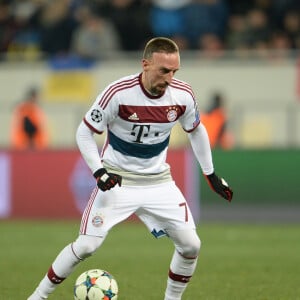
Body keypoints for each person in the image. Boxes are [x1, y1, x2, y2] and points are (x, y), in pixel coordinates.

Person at [27, 37, 233, 300]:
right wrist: (99, 171)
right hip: (118, 181)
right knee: (87, 245)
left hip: (159, 181)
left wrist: (210, 173)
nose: (170, 78)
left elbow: (196, 130)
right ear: (145, 65)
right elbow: (84, 133)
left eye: (174, 71)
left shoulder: (182, 95)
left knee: (192, 245)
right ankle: (38, 296)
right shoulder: (118, 93)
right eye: (164, 71)